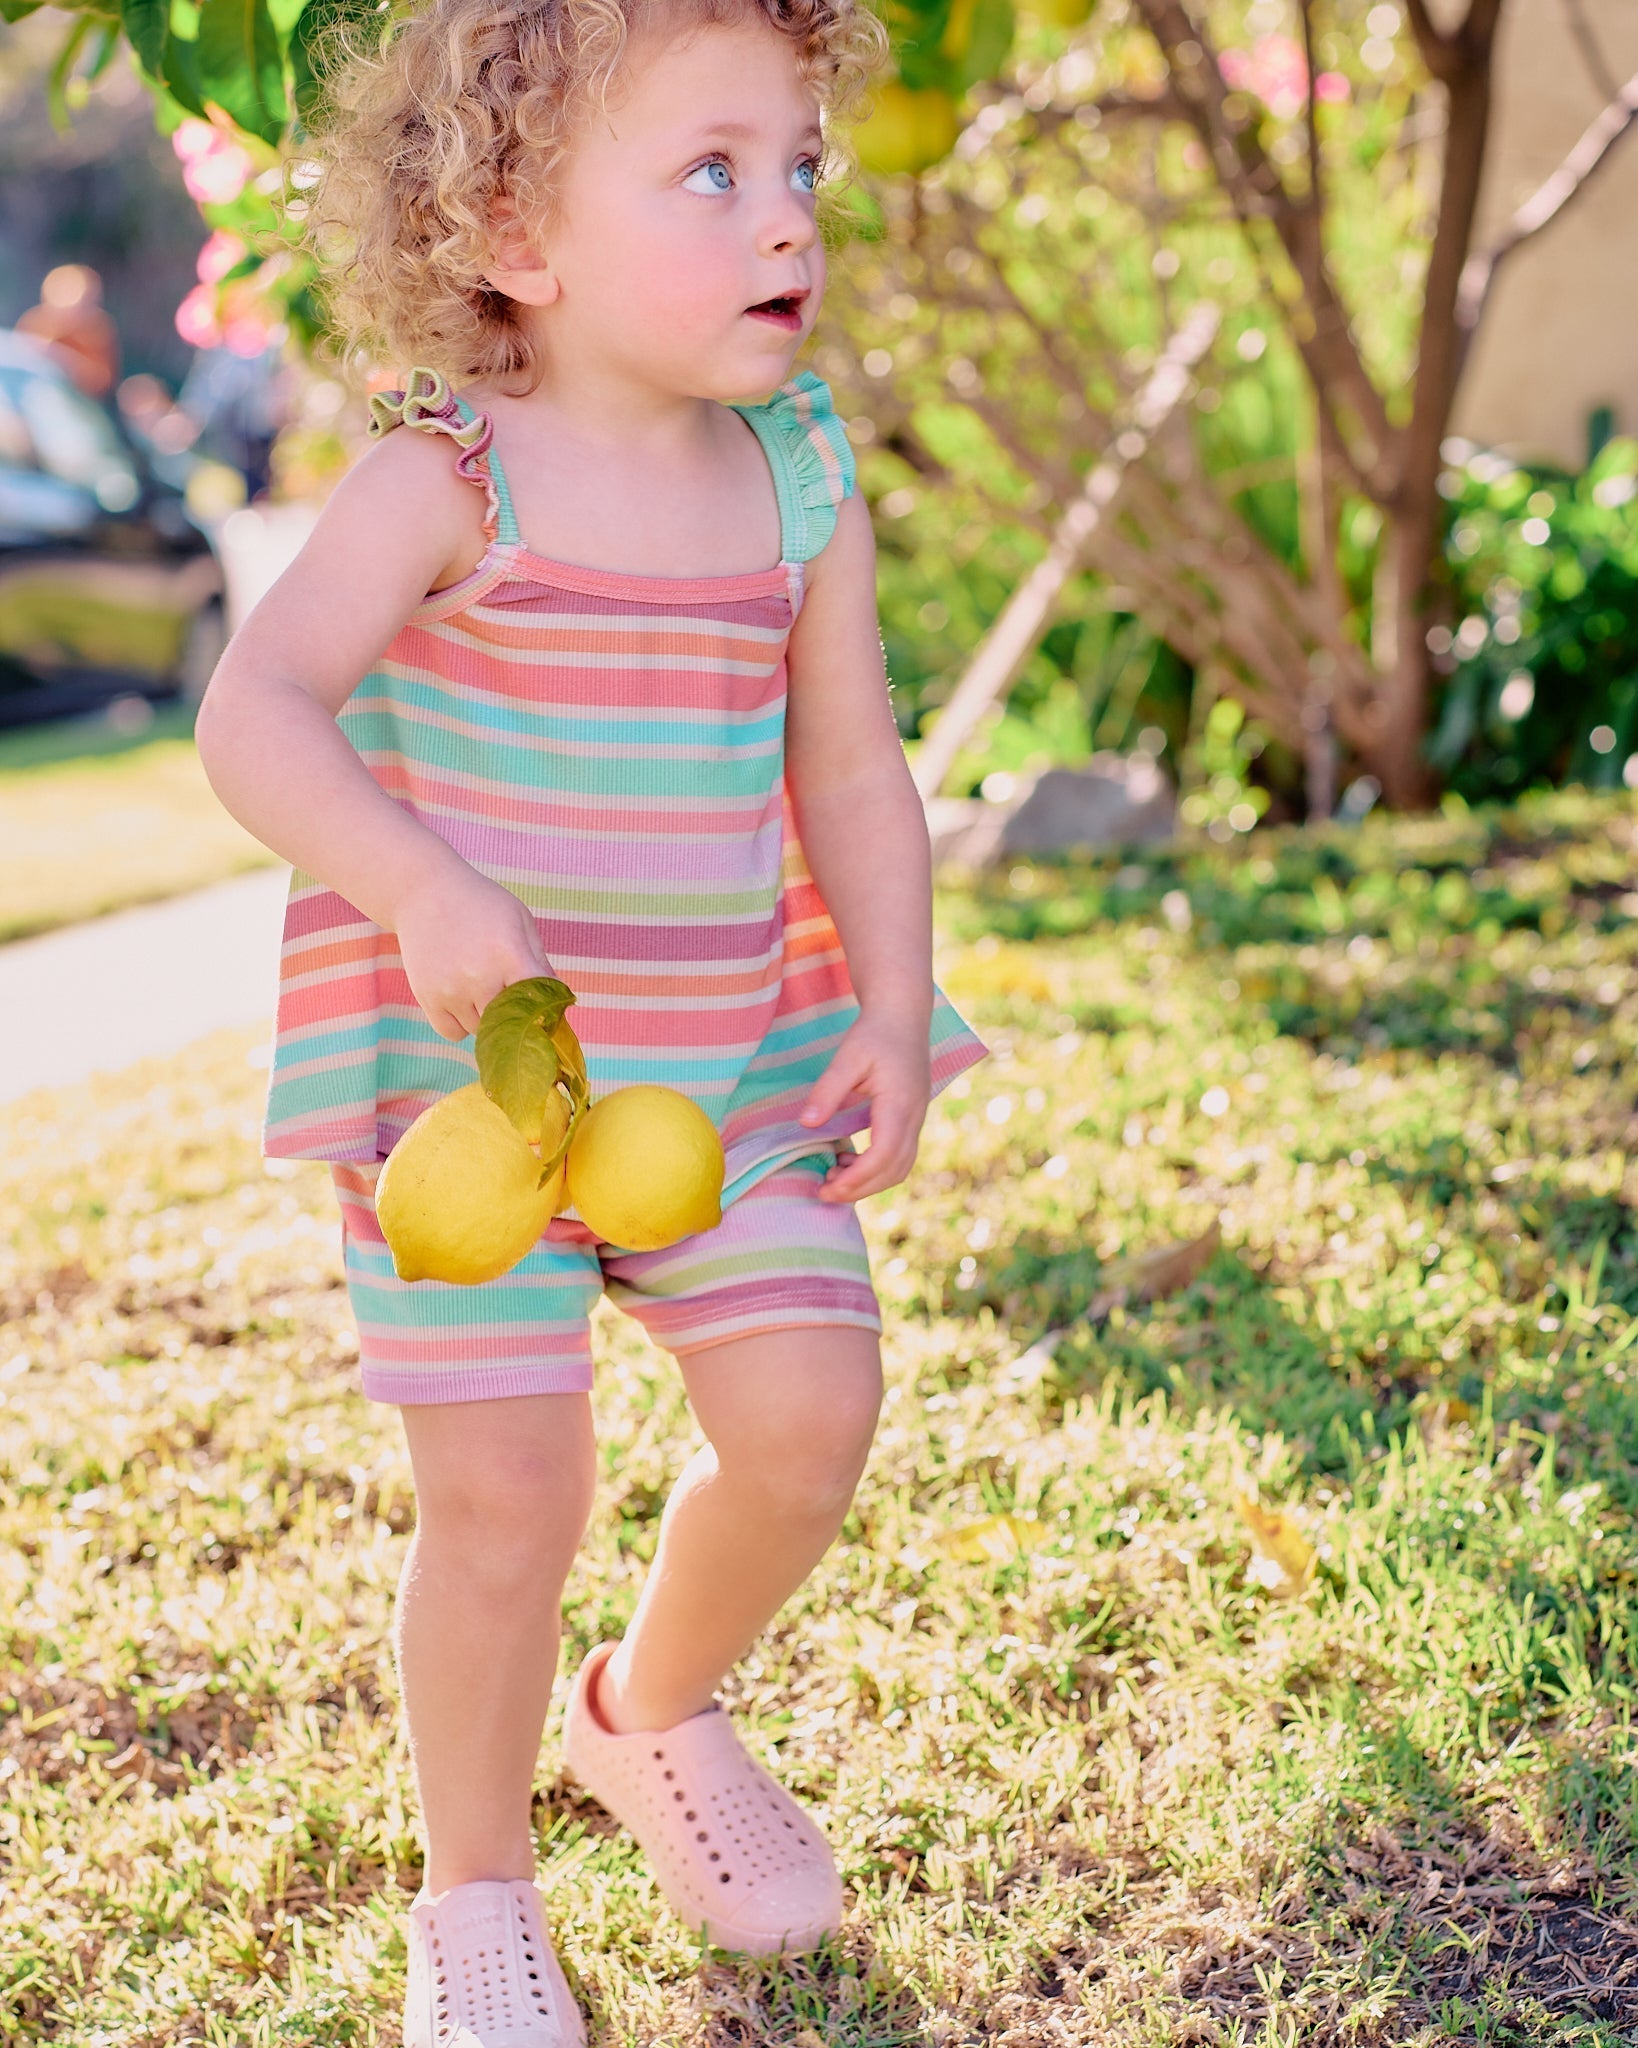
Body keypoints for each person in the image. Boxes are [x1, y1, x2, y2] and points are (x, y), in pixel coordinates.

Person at [194, 0, 983, 2038]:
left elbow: (853, 777)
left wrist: (894, 1001)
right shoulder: (445, 474)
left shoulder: (800, 481)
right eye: (710, 171)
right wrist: (423, 884)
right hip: (468, 1106)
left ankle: (653, 1708)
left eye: (796, 166)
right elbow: (252, 709)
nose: (786, 215)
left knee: (810, 1421)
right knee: (507, 1503)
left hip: (721, 1068)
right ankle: (476, 1893)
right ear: (515, 233)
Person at [17, 264, 120, 399]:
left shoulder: (99, 330)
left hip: (78, 403)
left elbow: (104, 381)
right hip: (36, 397)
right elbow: (19, 366)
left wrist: (69, 364)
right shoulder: (34, 324)